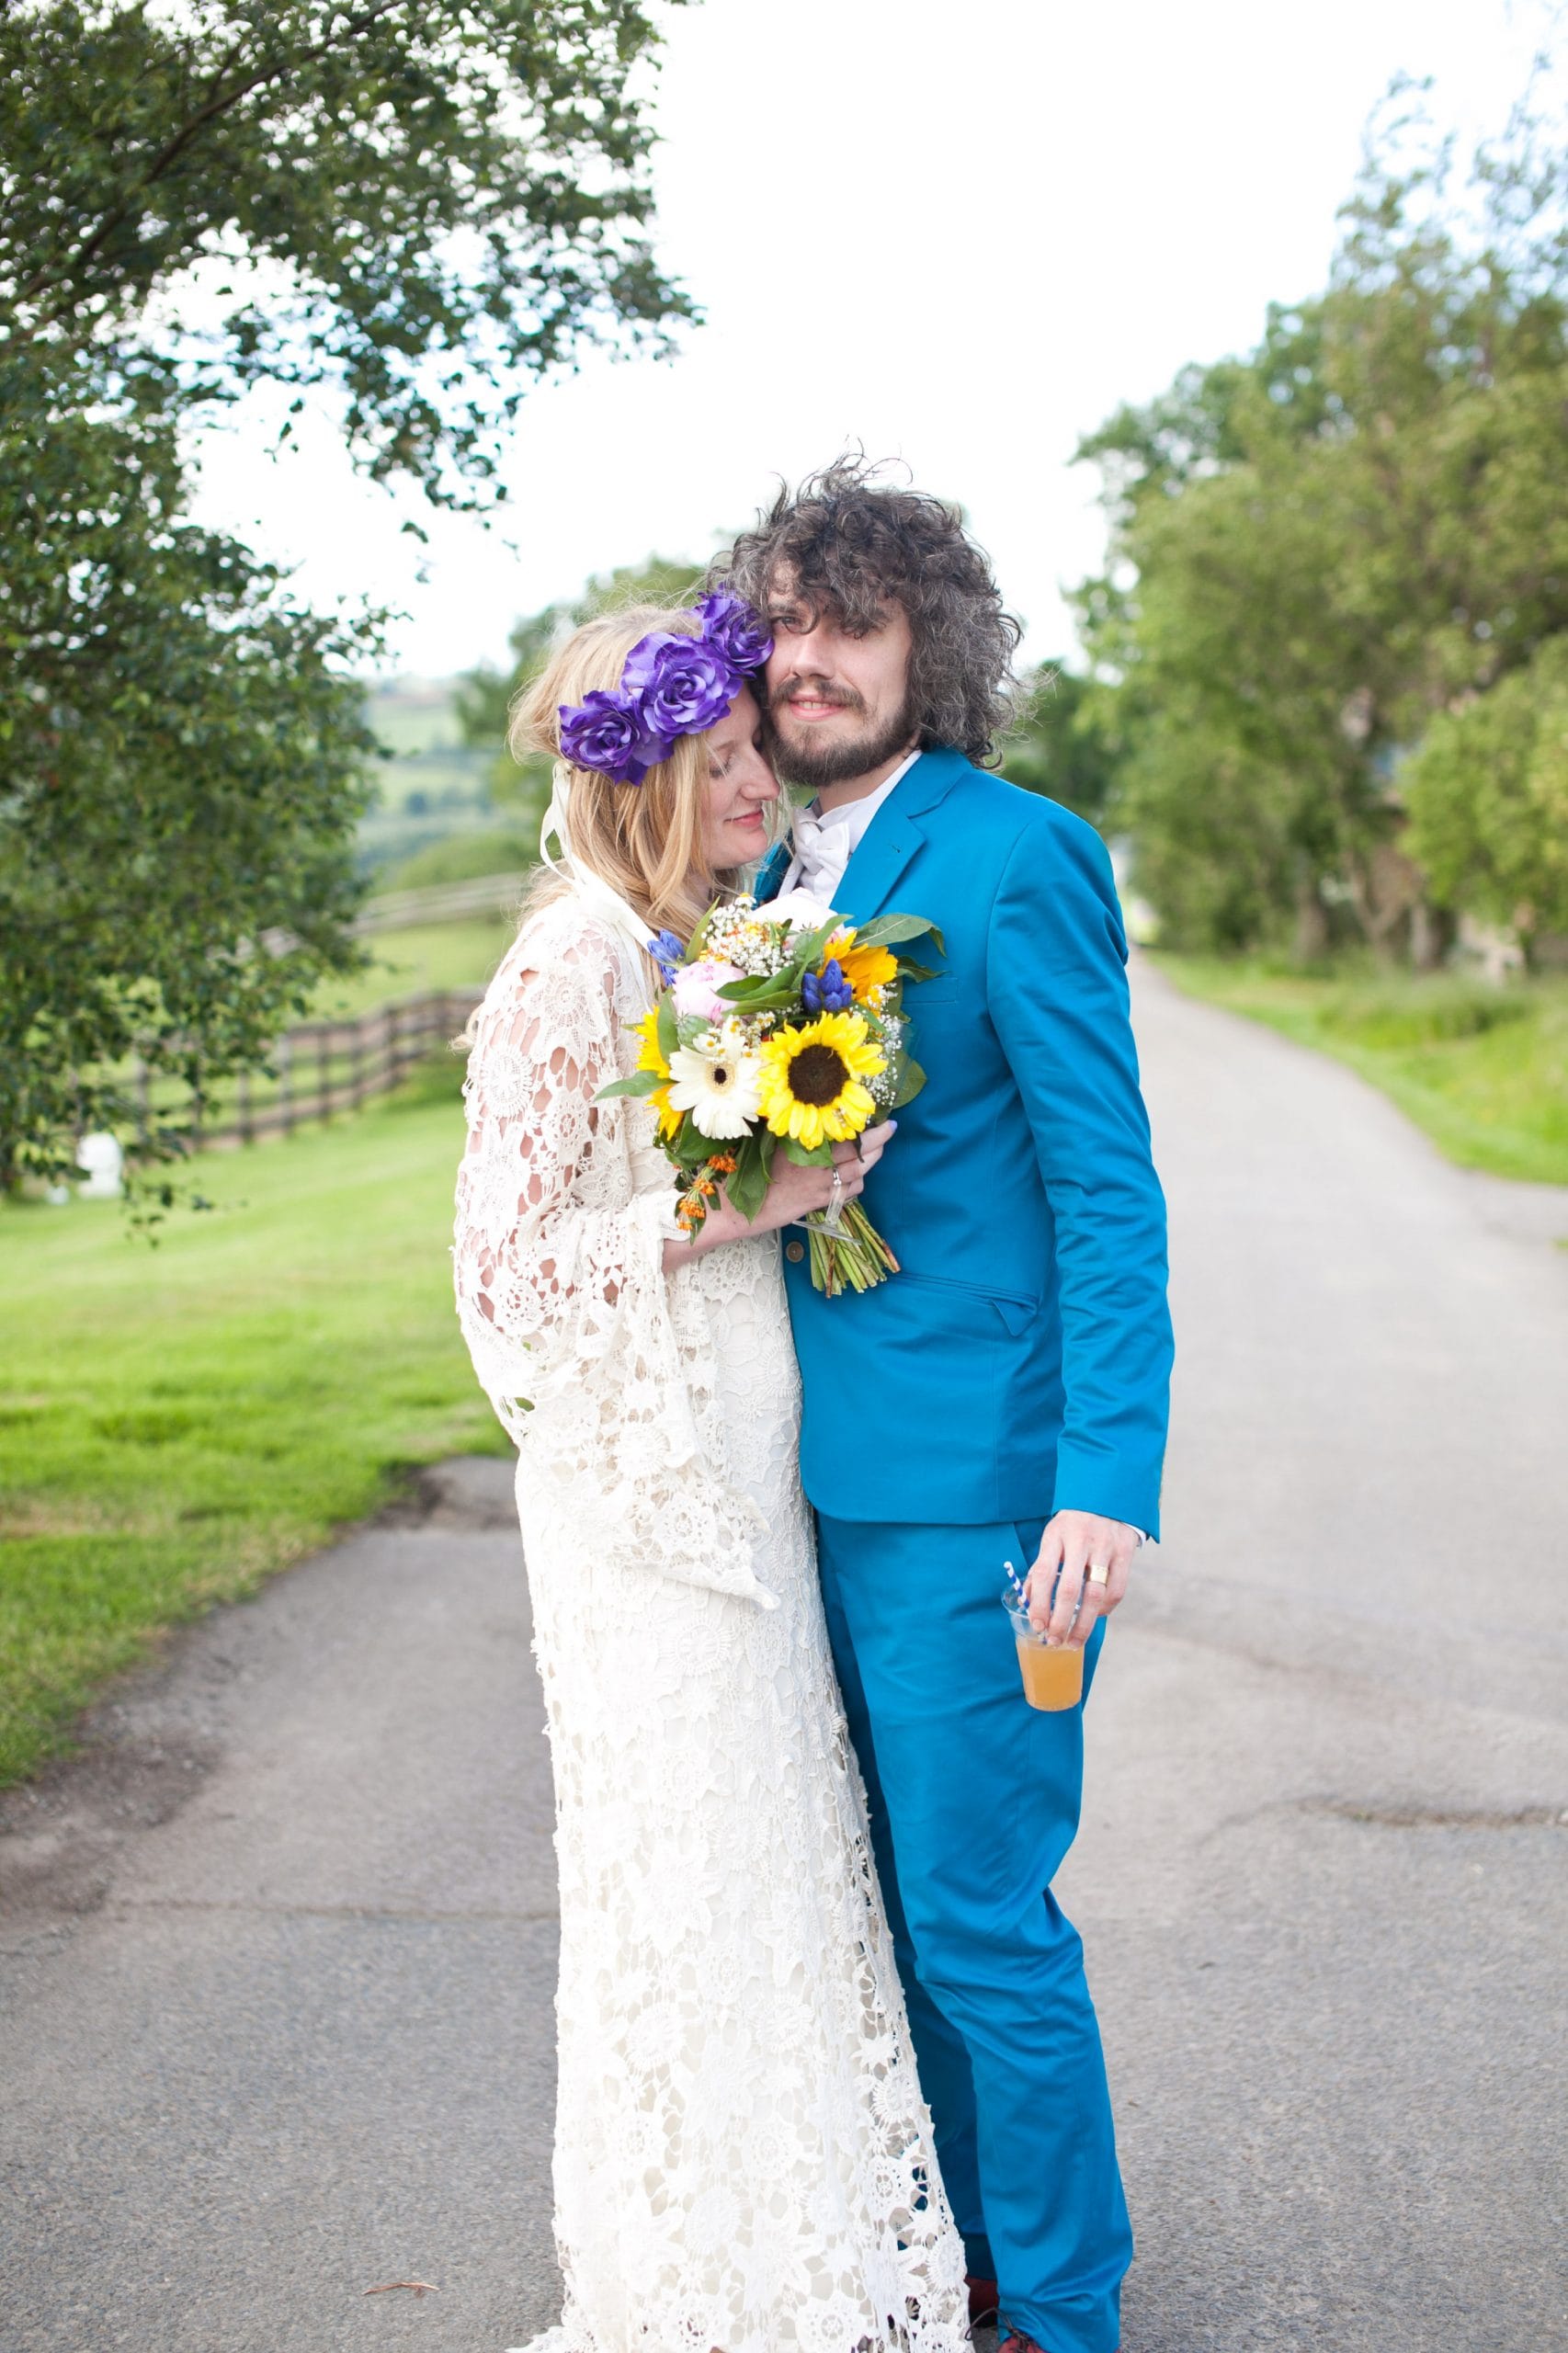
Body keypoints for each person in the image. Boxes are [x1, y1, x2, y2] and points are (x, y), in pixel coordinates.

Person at [451, 598, 970, 2353]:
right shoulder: (568, 965)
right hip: (648, 1511)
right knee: (686, 1890)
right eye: (730, 757)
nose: (763, 780)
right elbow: (511, 1271)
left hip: (742, 1471)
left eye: (759, 750)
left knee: (772, 1868)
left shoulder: (685, 946)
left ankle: (798, 2261)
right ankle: (701, 2288)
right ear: (655, 773)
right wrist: (759, 1205)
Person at [719, 459, 1175, 2353]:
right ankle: (961, 2249)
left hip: (973, 1489)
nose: (808, 661)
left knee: (981, 1915)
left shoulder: (1014, 852)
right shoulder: (753, 870)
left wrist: (1104, 1477)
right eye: (784, 625)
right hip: (782, 1468)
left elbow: (1103, 1182)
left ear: (934, 646)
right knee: (885, 1917)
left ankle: (1066, 2306)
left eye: (852, 623)